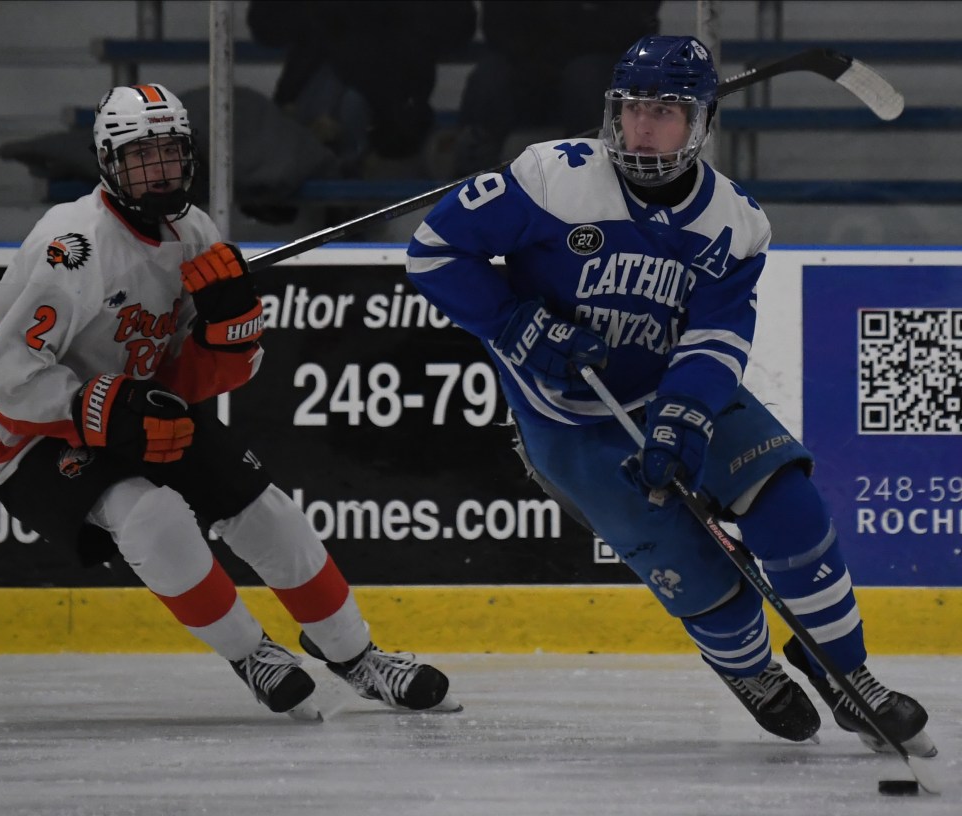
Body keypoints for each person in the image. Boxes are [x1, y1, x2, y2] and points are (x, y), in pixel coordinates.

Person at [406, 36, 936, 753]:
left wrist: (683, 416)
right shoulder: (549, 179)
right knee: (697, 574)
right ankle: (749, 671)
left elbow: (715, 339)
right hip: (569, 423)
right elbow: (436, 251)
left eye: (665, 112)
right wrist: (516, 323)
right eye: (631, 110)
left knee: (789, 503)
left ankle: (847, 672)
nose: (642, 128)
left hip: (667, 387)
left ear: (702, 124)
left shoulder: (735, 224)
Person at [0, 83, 460, 720]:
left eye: (169, 153)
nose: (159, 171)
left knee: (266, 511)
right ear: (109, 164)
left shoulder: (194, 231)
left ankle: (360, 659)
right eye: (141, 158)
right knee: (152, 518)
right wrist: (110, 410)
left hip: (131, 403)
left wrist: (232, 327)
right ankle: (251, 655)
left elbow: (200, 378)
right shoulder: (72, 248)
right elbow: (2, 379)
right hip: (26, 435)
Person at [247, 0, 476, 175]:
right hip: (325, 92)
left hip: (394, 101)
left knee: (354, 103)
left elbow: (458, 27)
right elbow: (266, 25)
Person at [452, 1, 661, 177]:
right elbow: (498, 26)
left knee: (585, 76)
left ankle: (595, 171)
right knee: (490, 76)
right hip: (530, 60)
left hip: (597, 58)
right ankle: (472, 179)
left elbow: (629, 25)